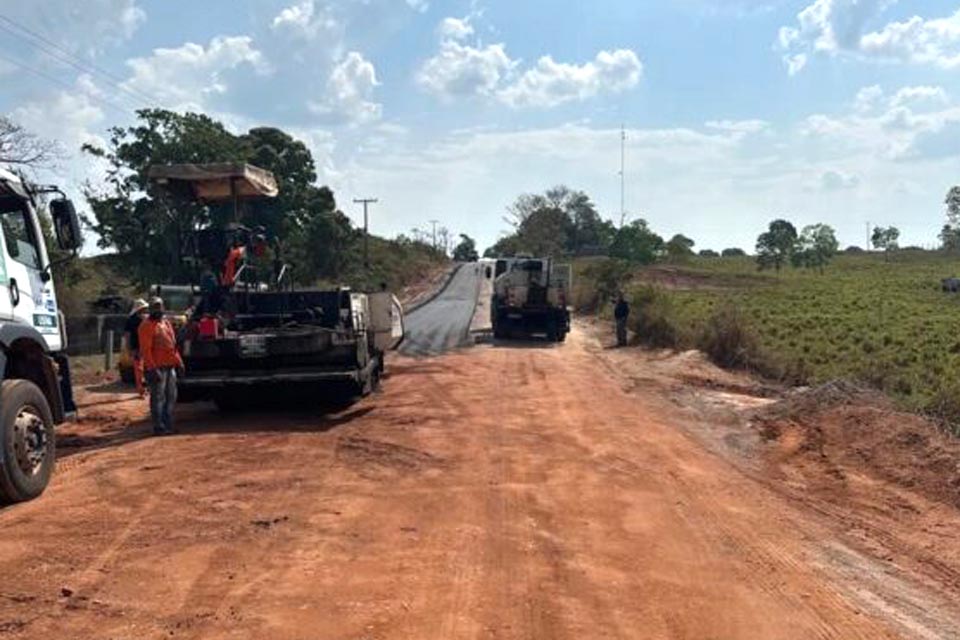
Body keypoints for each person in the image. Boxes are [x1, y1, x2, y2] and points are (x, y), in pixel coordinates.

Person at [138, 297, 184, 435]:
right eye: (155, 307)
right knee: (158, 398)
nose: (158, 309)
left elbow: (172, 346)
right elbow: (145, 350)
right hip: (158, 368)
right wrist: (152, 368)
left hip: (170, 367)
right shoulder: (146, 326)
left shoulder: (165, 323)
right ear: (150, 309)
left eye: (159, 306)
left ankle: (168, 424)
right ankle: (159, 427)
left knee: (171, 397)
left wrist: (179, 362)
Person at [124, 298, 149, 397]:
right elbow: (127, 335)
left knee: (144, 368)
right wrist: (128, 347)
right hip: (137, 347)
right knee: (139, 369)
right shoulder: (132, 320)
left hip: (145, 346)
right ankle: (141, 389)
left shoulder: (145, 319)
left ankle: (144, 388)